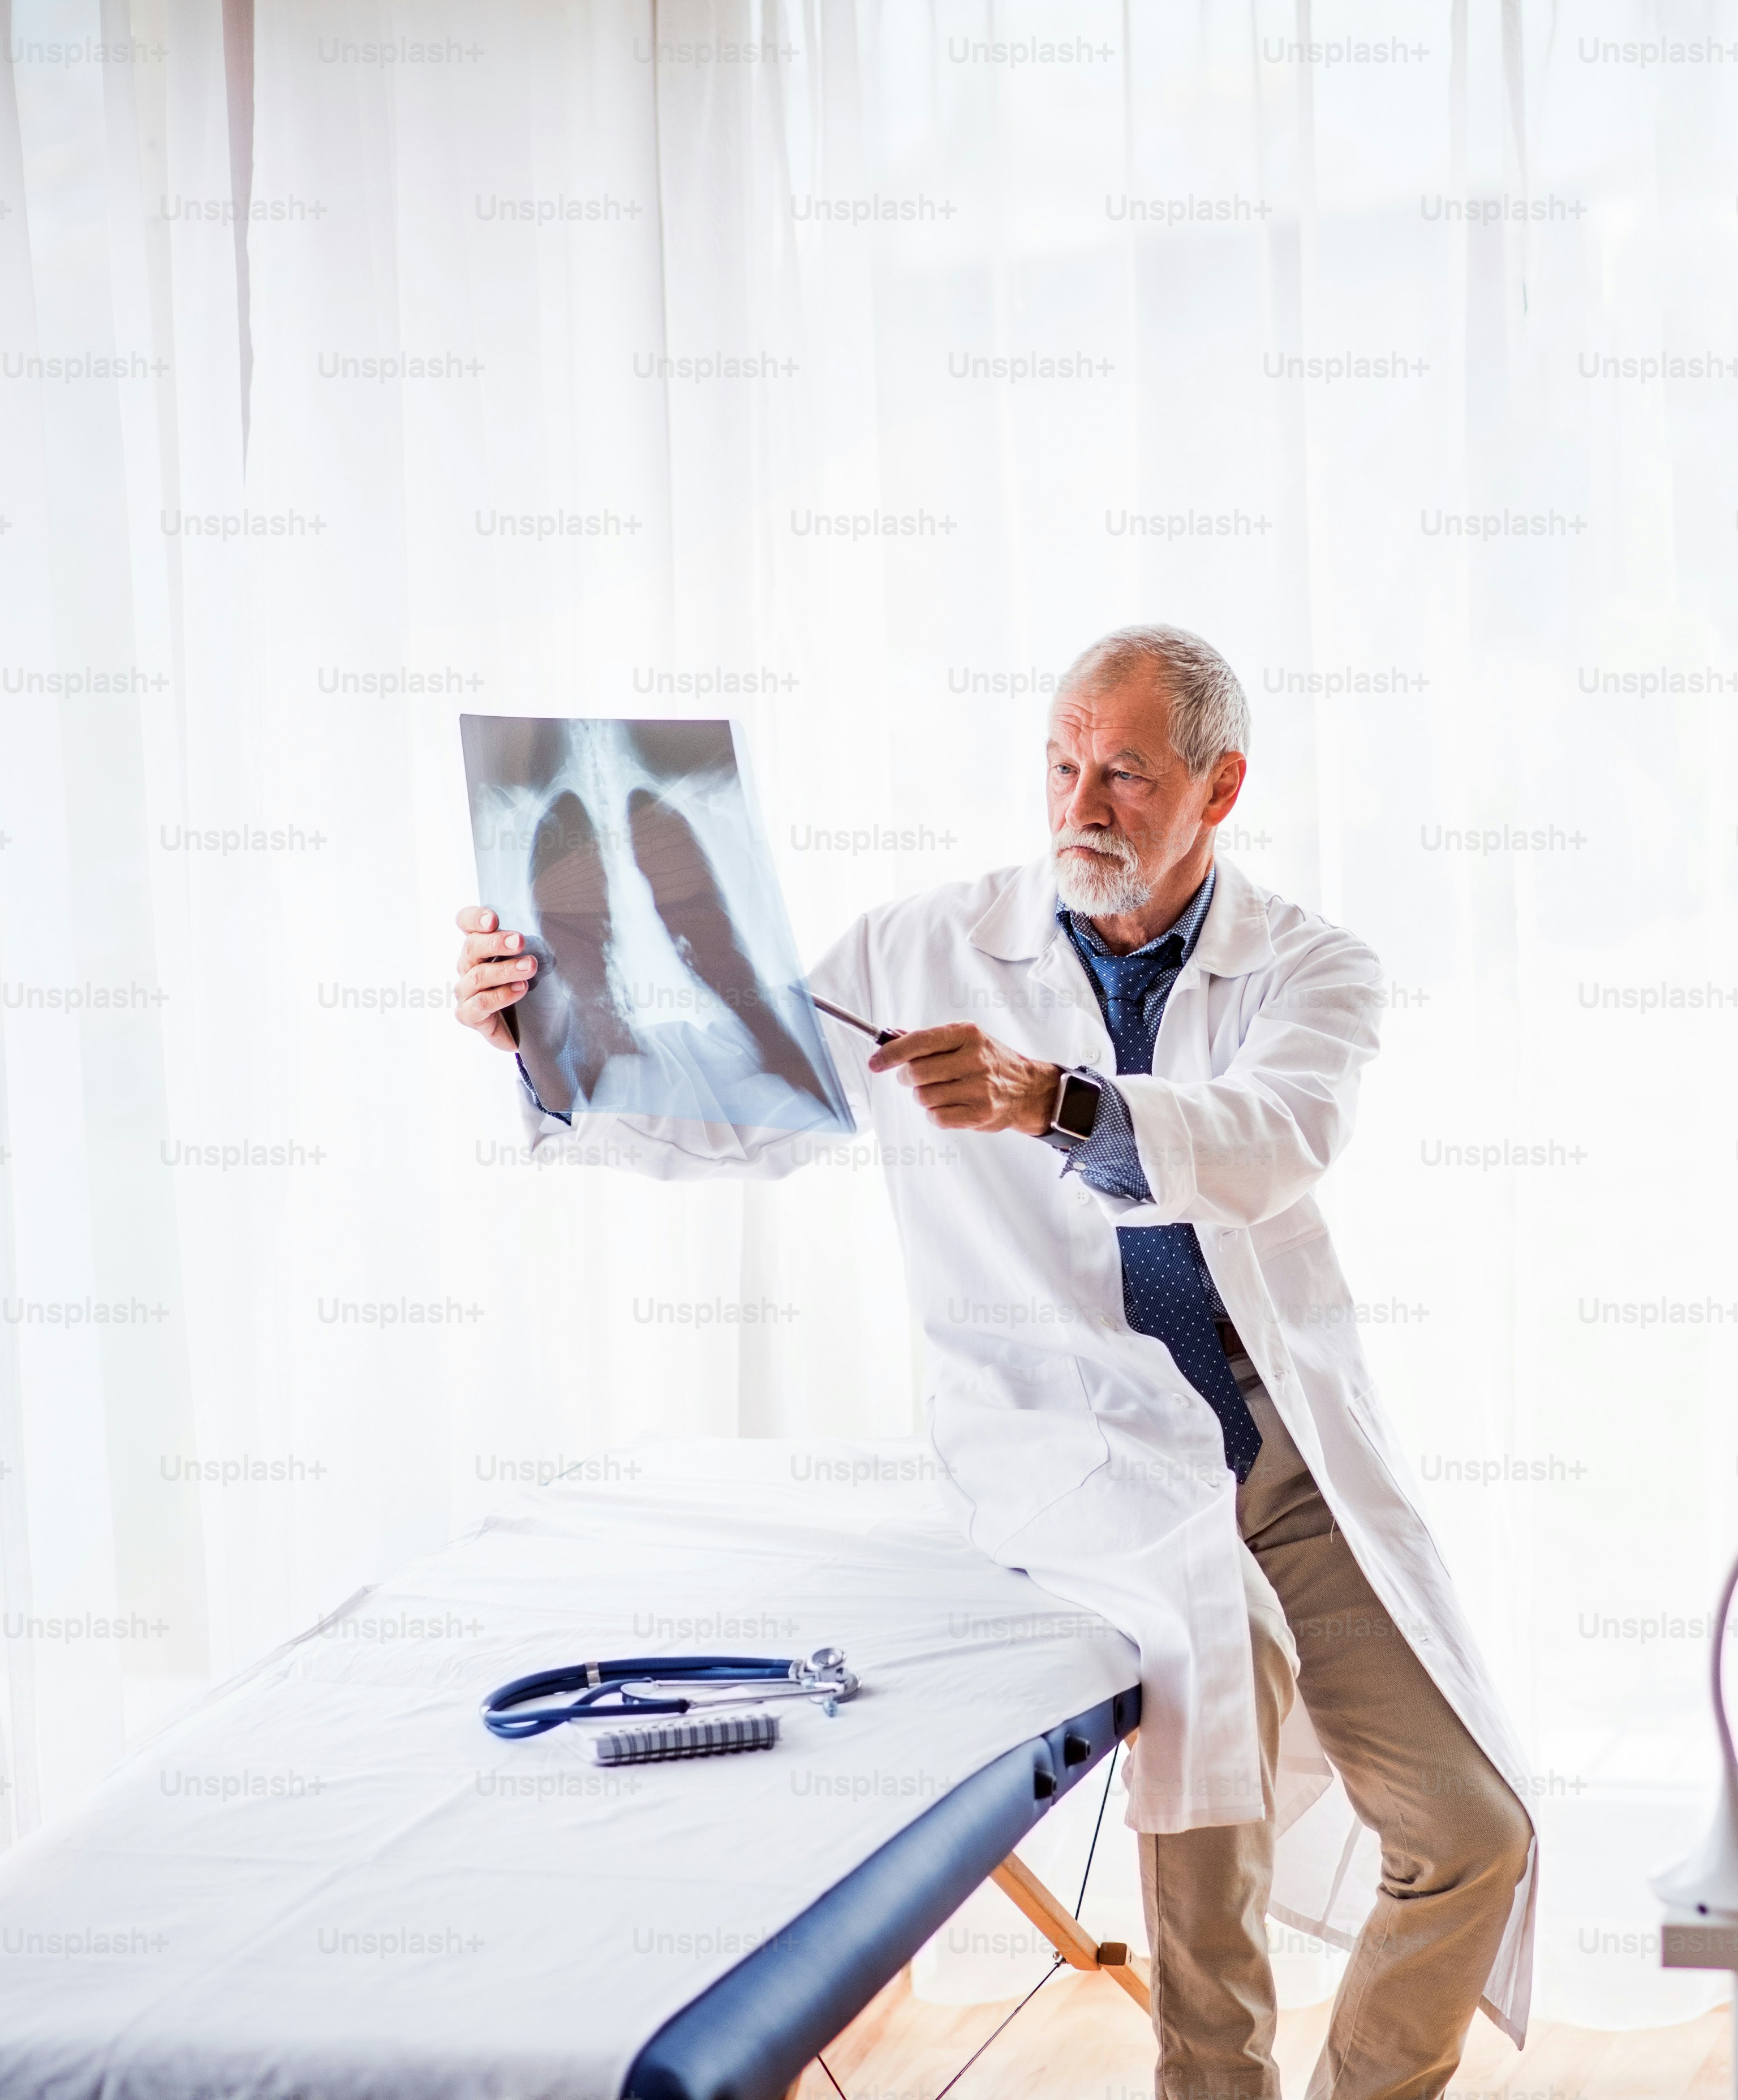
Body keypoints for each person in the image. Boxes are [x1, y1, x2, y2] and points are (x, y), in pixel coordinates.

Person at [448, 626, 1534, 2100]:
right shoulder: (919, 952)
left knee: (1474, 1834)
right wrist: (539, 1034)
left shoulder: (1310, 968)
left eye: (1128, 777)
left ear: (1220, 789)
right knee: (1220, 1736)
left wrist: (1056, 1101)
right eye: (1064, 766)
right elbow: (738, 1113)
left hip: (1279, 1449)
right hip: (1071, 1437)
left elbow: (1276, 1142)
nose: (1084, 804)